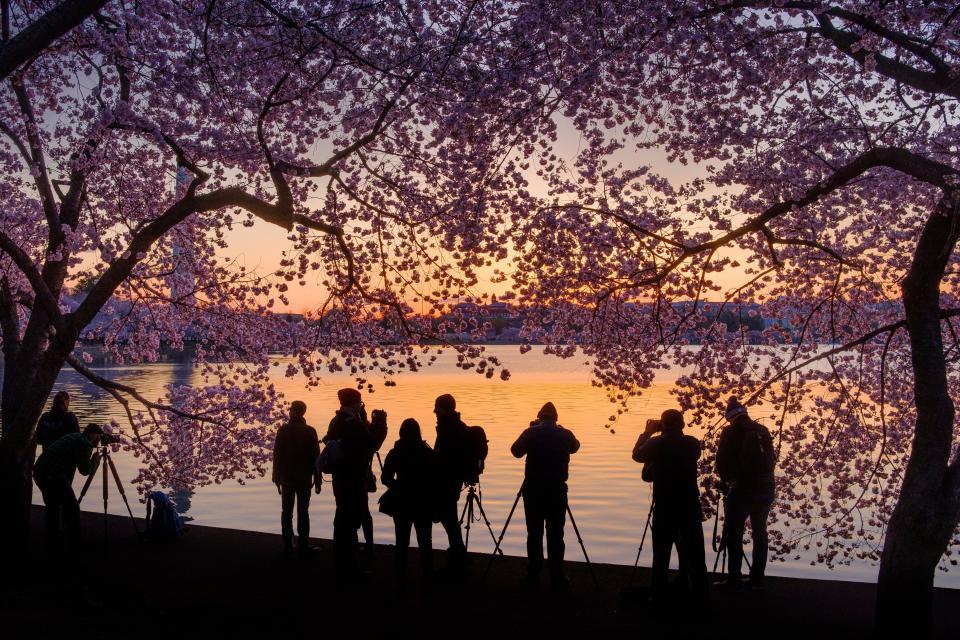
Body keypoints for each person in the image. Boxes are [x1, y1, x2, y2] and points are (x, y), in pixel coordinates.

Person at [632, 409, 709, 607]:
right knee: (694, 551)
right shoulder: (692, 443)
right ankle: (699, 594)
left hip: (665, 504)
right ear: (682, 425)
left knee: (662, 551)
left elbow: (637, 455)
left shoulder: (656, 443)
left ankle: (658, 595)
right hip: (689, 504)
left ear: (663, 425)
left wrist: (648, 432)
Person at [510, 402, 580, 590]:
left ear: (539, 417)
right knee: (556, 534)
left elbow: (515, 451)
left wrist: (531, 430)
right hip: (556, 489)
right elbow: (575, 447)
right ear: (556, 418)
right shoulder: (565, 434)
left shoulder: (530, 432)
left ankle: (533, 573)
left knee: (534, 533)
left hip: (533, 489)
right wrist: (562, 430)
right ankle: (557, 576)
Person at [324, 388, 387, 579]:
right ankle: (350, 568)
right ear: (356, 402)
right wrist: (380, 424)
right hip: (354, 478)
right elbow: (373, 444)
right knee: (351, 522)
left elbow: (330, 440)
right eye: (360, 402)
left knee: (342, 518)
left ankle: (340, 562)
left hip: (339, 478)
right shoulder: (354, 424)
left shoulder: (336, 421)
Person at [715, 396, 776, 590]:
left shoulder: (731, 431)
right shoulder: (762, 430)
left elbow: (722, 461)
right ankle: (757, 578)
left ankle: (734, 579)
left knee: (734, 533)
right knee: (760, 532)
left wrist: (727, 481)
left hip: (742, 488)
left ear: (730, 417)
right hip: (766, 487)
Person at [381, 418, 436, 594]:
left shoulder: (395, 452)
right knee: (425, 540)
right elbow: (435, 476)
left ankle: (400, 577)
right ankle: (428, 576)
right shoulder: (427, 452)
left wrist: (397, 485)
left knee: (401, 541)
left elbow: (385, 478)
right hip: (423, 501)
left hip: (402, 501)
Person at [33, 423, 103, 552]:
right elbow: (85, 470)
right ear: (92, 434)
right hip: (52, 473)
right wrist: (95, 460)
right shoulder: (85, 444)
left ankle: (53, 541)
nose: (99, 440)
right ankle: (75, 542)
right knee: (72, 507)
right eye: (98, 436)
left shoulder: (75, 436)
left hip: (40, 471)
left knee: (53, 505)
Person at [272, 400, 320, 556]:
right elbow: (316, 457)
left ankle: (287, 543)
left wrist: (276, 477)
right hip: (304, 476)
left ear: (293, 411)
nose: (289, 411)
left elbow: (277, 455)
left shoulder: (283, 430)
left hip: (286, 476)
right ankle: (304, 544)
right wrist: (317, 478)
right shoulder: (310, 431)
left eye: (291, 409)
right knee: (303, 511)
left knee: (287, 511)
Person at [432, 393, 469, 570]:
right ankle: (458, 554)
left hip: (447, 481)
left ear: (445, 409)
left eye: (437, 408)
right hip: (452, 481)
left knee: (449, 519)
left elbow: (446, 458)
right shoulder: (455, 426)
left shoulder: (450, 429)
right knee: (450, 519)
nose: (434, 411)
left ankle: (458, 557)